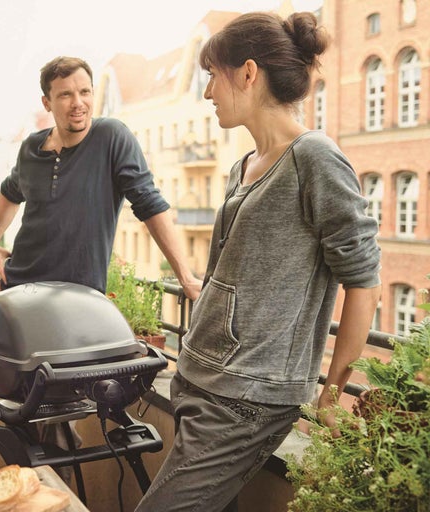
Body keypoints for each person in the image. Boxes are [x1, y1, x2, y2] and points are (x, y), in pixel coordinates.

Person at [135, 12, 381, 512]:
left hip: (245, 399)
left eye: (212, 75)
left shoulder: (315, 158)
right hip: (198, 378)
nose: (207, 93)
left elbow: (364, 282)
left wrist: (333, 393)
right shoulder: (242, 166)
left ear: (248, 73)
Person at [0, 56, 201, 300]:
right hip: (19, 287)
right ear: (47, 103)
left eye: (84, 92)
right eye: (65, 95)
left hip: (79, 297)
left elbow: (150, 205)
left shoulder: (111, 137)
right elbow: (10, 192)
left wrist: (186, 277)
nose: (78, 103)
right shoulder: (32, 147)